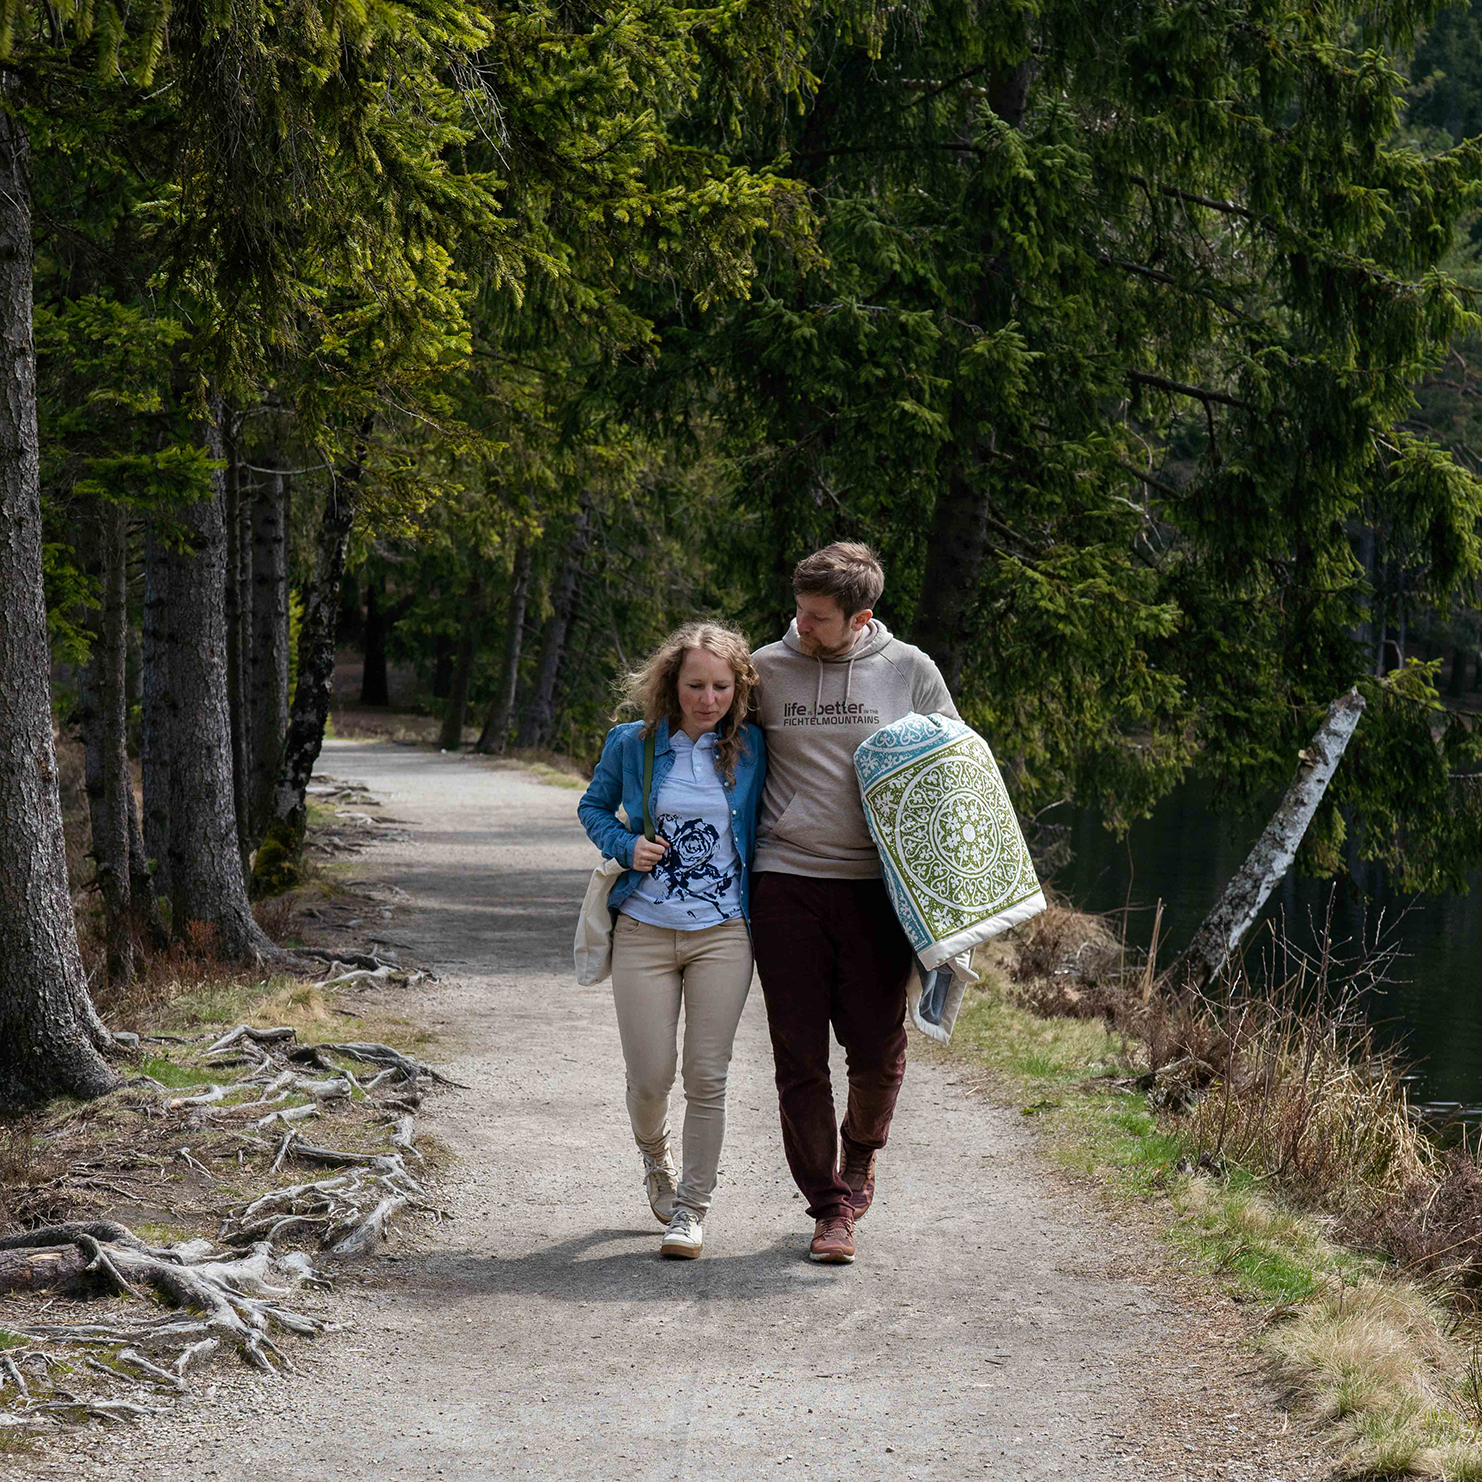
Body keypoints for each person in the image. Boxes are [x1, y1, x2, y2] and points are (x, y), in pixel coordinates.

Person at [750, 542, 959, 1264]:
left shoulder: (910, 671)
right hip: (785, 881)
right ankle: (829, 1207)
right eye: (799, 611)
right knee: (797, 1056)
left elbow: (950, 774)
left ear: (860, 617)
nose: (799, 625)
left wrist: (954, 906)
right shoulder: (766, 670)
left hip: (876, 891)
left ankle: (861, 1153)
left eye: (816, 618)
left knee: (874, 1049)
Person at [577, 622, 766, 1259]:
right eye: (695, 685)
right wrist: (625, 847)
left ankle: (691, 1209)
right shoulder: (633, 744)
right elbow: (593, 808)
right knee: (650, 1077)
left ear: (737, 688)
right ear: (671, 682)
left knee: (707, 1078)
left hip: (724, 935)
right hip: (644, 930)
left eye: (720, 686)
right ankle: (654, 1161)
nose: (707, 699)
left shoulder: (755, 748)